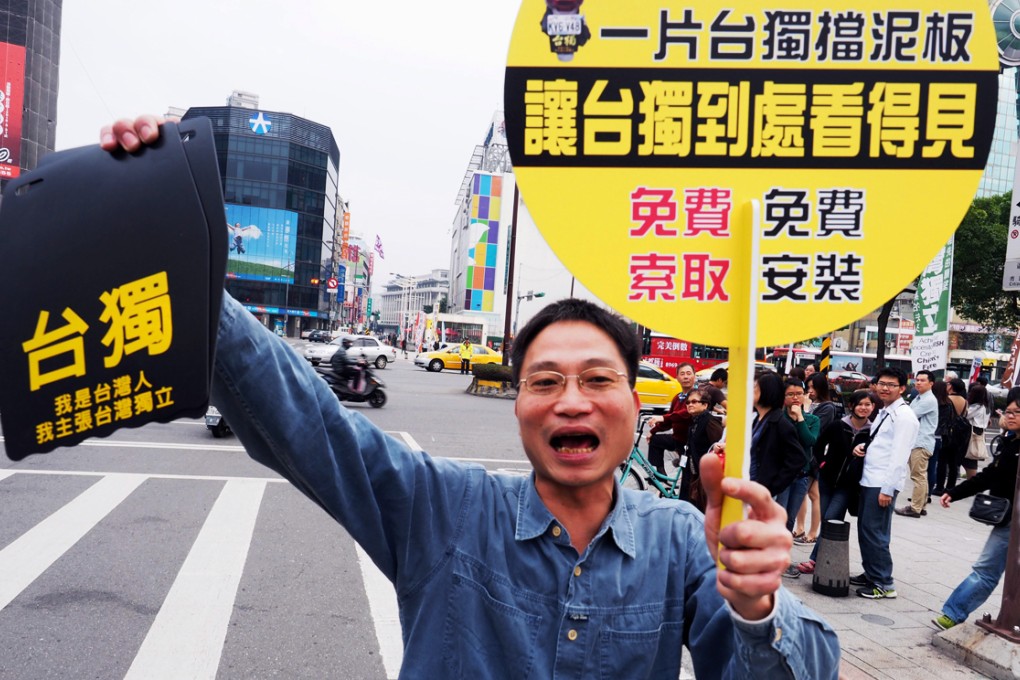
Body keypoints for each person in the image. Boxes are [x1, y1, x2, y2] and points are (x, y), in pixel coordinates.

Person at [103, 116, 842, 677]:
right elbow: (303, 419)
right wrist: (173, 240)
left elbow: (797, 666)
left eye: (597, 379)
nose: (572, 401)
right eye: (545, 381)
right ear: (518, 405)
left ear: (635, 403)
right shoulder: (442, 507)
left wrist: (757, 604)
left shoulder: (682, 539)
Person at [932, 396, 1020, 631]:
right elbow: (990, 475)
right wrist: (955, 492)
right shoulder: (1009, 443)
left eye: (1017, 412)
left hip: (1016, 521)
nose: (1010, 416)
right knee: (986, 568)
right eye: (1008, 411)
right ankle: (953, 612)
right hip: (1009, 520)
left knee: (989, 569)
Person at [851, 367, 919, 600]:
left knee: (875, 532)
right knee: (867, 530)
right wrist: (864, 448)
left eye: (891, 385)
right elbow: (882, 443)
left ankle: (883, 583)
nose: (884, 388)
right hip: (870, 479)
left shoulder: (904, 417)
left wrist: (888, 490)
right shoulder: (885, 411)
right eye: (881, 383)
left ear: (901, 388)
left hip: (881, 483)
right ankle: (871, 573)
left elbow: (900, 457)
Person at [798, 390, 874, 574]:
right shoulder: (838, 425)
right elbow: (817, 445)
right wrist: (821, 465)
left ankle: (815, 560)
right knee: (828, 520)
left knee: (831, 519)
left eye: (868, 404)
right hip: (827, 480)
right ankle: (823, 560)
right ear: (852, 406)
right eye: (860, 404)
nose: (864, 408)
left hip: (847, 485)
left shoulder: (873, 431)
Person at [794, 374, 842, 546]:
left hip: (815, 455)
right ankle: (800, 527)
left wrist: (804, 410)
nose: (811, 391)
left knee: (809, 493)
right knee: (808, 493)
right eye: (809, 387)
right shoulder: (807, 402)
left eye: (814, 387)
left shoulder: (827, 407)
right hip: (803, 453)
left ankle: (813, 531)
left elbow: (814, 430)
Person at [750, 373, 807, 500]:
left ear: (767, 391)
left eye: (755, 387)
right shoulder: (758, 418)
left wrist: (771, 488)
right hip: (750, 485)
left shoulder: (780, 423)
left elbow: (797, 459)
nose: (751, 390)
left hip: (761, 491)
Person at [895, 370, 937, 518]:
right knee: (921, 476)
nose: (918, 382)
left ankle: (915, 508)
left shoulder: (928, 400)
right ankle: (921, 505)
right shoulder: (919, 398)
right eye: (917, 380)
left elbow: (910, 415)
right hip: (918, 441)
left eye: (922, 380)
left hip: (921, 442)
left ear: (931, 383)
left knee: (918, 476)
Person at [645, 362, 697, 477]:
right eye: (682, 374)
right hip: (677, 439)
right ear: (677, 378)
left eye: (689, 373)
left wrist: (662, 417)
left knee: (687, 479)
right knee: (655, 440)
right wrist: (652, 431)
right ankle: (660, 475)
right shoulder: (677, 397)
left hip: (691, 442)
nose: (686, 377)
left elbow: (684, 414)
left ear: (695, 376)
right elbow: (669, 420)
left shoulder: (697, 396)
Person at [682, 387, 723, 513]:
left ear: (705, 405)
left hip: (704, 474)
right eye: (688, 402)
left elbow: (719, 445)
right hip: (692, 470)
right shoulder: (695, 421)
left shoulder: (709, 421)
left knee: (700, 507)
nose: (690, 405)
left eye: (694, 402)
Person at [964, 383, 991, 479]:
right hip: (980, 432)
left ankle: (971, 481)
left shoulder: (976, 406)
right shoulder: (986, 406)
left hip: (971, 432)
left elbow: (966, 416)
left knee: (970, 458)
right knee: (972, 457)